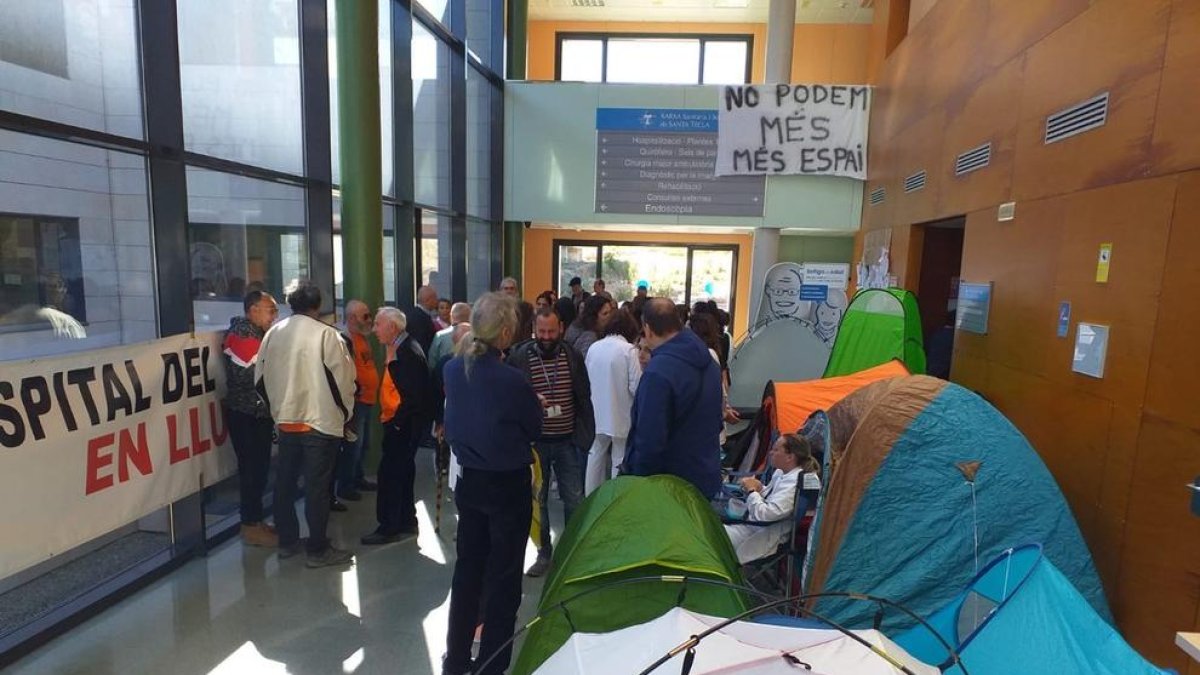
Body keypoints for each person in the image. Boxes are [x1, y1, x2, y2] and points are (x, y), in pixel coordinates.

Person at [442, 293, 543, 675]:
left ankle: (455, 660)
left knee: (467, 572)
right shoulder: (511, 380)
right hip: (506, 486)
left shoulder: (454, 369)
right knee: (503, 581)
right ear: (505, 332)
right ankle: (491, 665)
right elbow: (534, 426)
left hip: (470, 483)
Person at [255, 280, 356, 568]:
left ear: (290, 304)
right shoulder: (327, 335)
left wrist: (276, 409)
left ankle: (287, 542)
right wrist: (345, 414)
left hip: (286, 421)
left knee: (284, 485)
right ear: (318, 305)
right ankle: (317, 548)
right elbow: (343, 381)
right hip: (320, 422)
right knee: (317, 488)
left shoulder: (274, 333)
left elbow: (259, 377)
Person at [508, 308, 595, 578]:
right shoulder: (519, 357)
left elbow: (583, 396)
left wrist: (584, 435)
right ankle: (544, 553)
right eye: (541, 331)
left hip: (568, 440)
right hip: (535, 445)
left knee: (575, 499)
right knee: (539, 502)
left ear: (561, 328)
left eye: (551, 331)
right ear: (534, 328)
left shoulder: (572, 356)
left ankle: (571, 553)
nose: (546, 337)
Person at [623, 298, 723, 498]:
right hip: (705, 475)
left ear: (648, 329)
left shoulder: (659, 373)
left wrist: (638, 485)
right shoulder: (709, 362)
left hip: (669, 487)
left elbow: (649, 441)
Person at [362, 308, 433, 545]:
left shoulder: (406, 353)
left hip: (402, 425)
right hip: (402, 423)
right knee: (401, 471)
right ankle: (406, 520)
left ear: (392, 327)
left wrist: (397, 425)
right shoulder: (402, 347)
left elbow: (412, 396)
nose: (375, 330)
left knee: (390, 474)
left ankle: (389, 526)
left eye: (378, 325)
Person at [222, 290, 280, 547]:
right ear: (253, 309)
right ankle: (250, 524)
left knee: (261, 468)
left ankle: (256, 521)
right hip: (246, 414)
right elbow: (260, 374)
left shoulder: (261, 335)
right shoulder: (241, 335)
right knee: (252, 470)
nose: (274, 316)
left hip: (259, 413)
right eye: (271, 310)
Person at [723, 434, 819, 565]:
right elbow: (771, 497)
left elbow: (766, 514)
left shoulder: (794, 483)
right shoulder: (782, 472)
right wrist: (760, 488)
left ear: (790, 457)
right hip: (752, 526)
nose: (770, 453)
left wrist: (752, 492)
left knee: (708, 535)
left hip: (763, 534)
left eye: (776, 450)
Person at [583, 309, 642, 495]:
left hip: (595, 412)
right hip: (621, 412)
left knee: (595, 454)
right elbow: (637, 386)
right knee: (620, 456)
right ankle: (616, 499)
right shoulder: (629, 351)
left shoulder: (594, 347)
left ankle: (591, 498)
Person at [336, 299, 381, 503]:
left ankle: (357, 477)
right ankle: (346, 484)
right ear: (352, 318)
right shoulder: (345, 339)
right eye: (365, 316)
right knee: (353, 444)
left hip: (366, 399)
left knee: (362, 444)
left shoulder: (362, 338)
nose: (369, 320)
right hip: (356, 401)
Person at [564, 294, 612, 358]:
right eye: (605, 314)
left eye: (610, 312)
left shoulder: (593, 333)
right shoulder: (589, 337)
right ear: (593, 317)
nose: (610, 317)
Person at [428, 301, 471, 373]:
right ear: (470, 316)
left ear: (451, 316)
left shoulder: (440, 336)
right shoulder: (478, 336)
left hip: (444, 375)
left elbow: (432, 362)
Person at [500, 276, 535, 342]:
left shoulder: (526, 308)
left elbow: (527, 331)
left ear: (516, 291)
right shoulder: (495, 308)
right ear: (501, 291)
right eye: (506, 288)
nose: (509, 291)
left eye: (512, 288)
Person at [408, 285, 439, 354]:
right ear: (428, 300)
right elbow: (421, 343)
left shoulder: (416, 314)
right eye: (435, 298)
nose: (437, 301)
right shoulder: (418, 318)